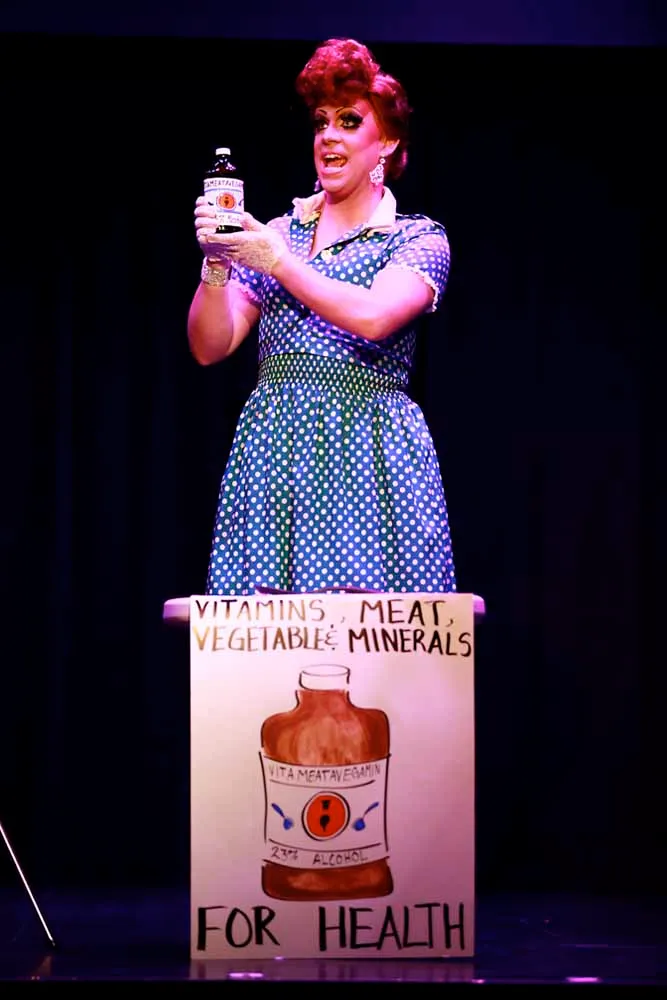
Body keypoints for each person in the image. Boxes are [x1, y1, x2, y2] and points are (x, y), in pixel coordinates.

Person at [188, 37, 457, 597]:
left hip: (370, 458)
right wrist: (217, 263)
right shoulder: (281, 233)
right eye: (320, 123)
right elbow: (211, 345)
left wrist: (277, 262)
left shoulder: (415, 238)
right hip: (275, 455)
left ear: (387, 141)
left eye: (349, 121)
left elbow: (375, 316)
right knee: (267, 637)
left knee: (367, 635)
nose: (328, 135)